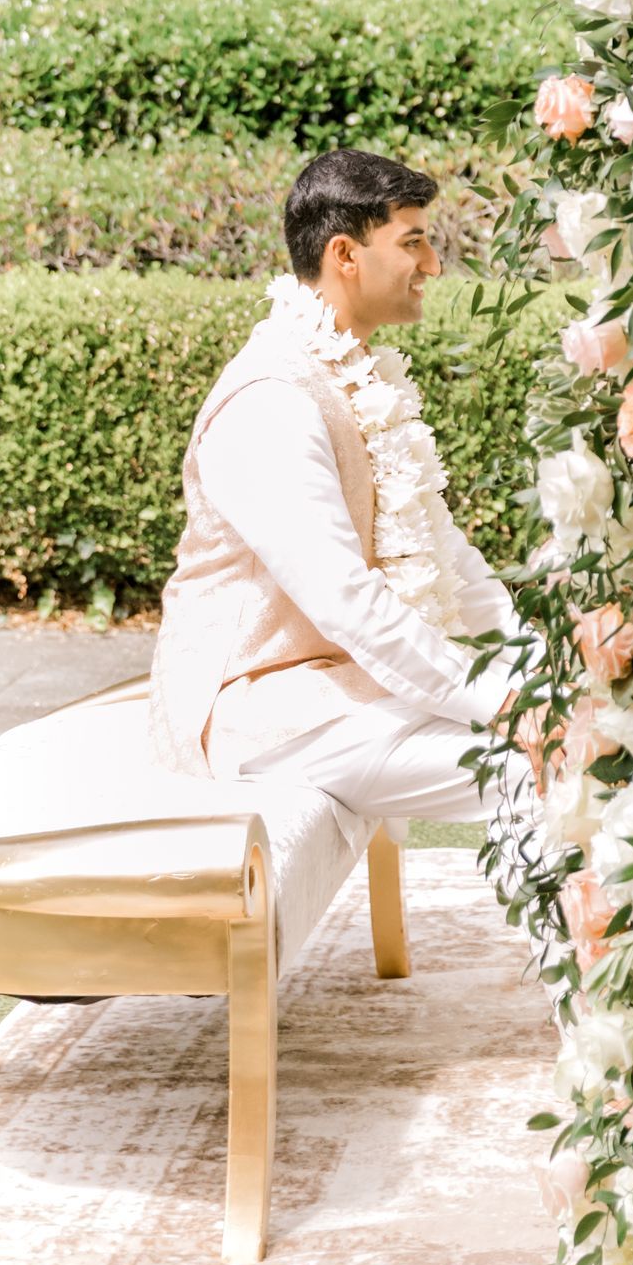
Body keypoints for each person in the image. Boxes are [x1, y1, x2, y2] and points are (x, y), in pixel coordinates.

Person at [149, 148, 516, 824]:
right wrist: (509, 702)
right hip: (257, 713)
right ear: (346, 255)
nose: (433, 264)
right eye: (413, 242)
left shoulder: (356, 376)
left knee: (568, 743)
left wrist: (533, 667)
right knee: (536, 766)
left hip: (340, 691)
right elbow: (349, 603)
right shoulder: (272, 400)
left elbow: (448, 558)